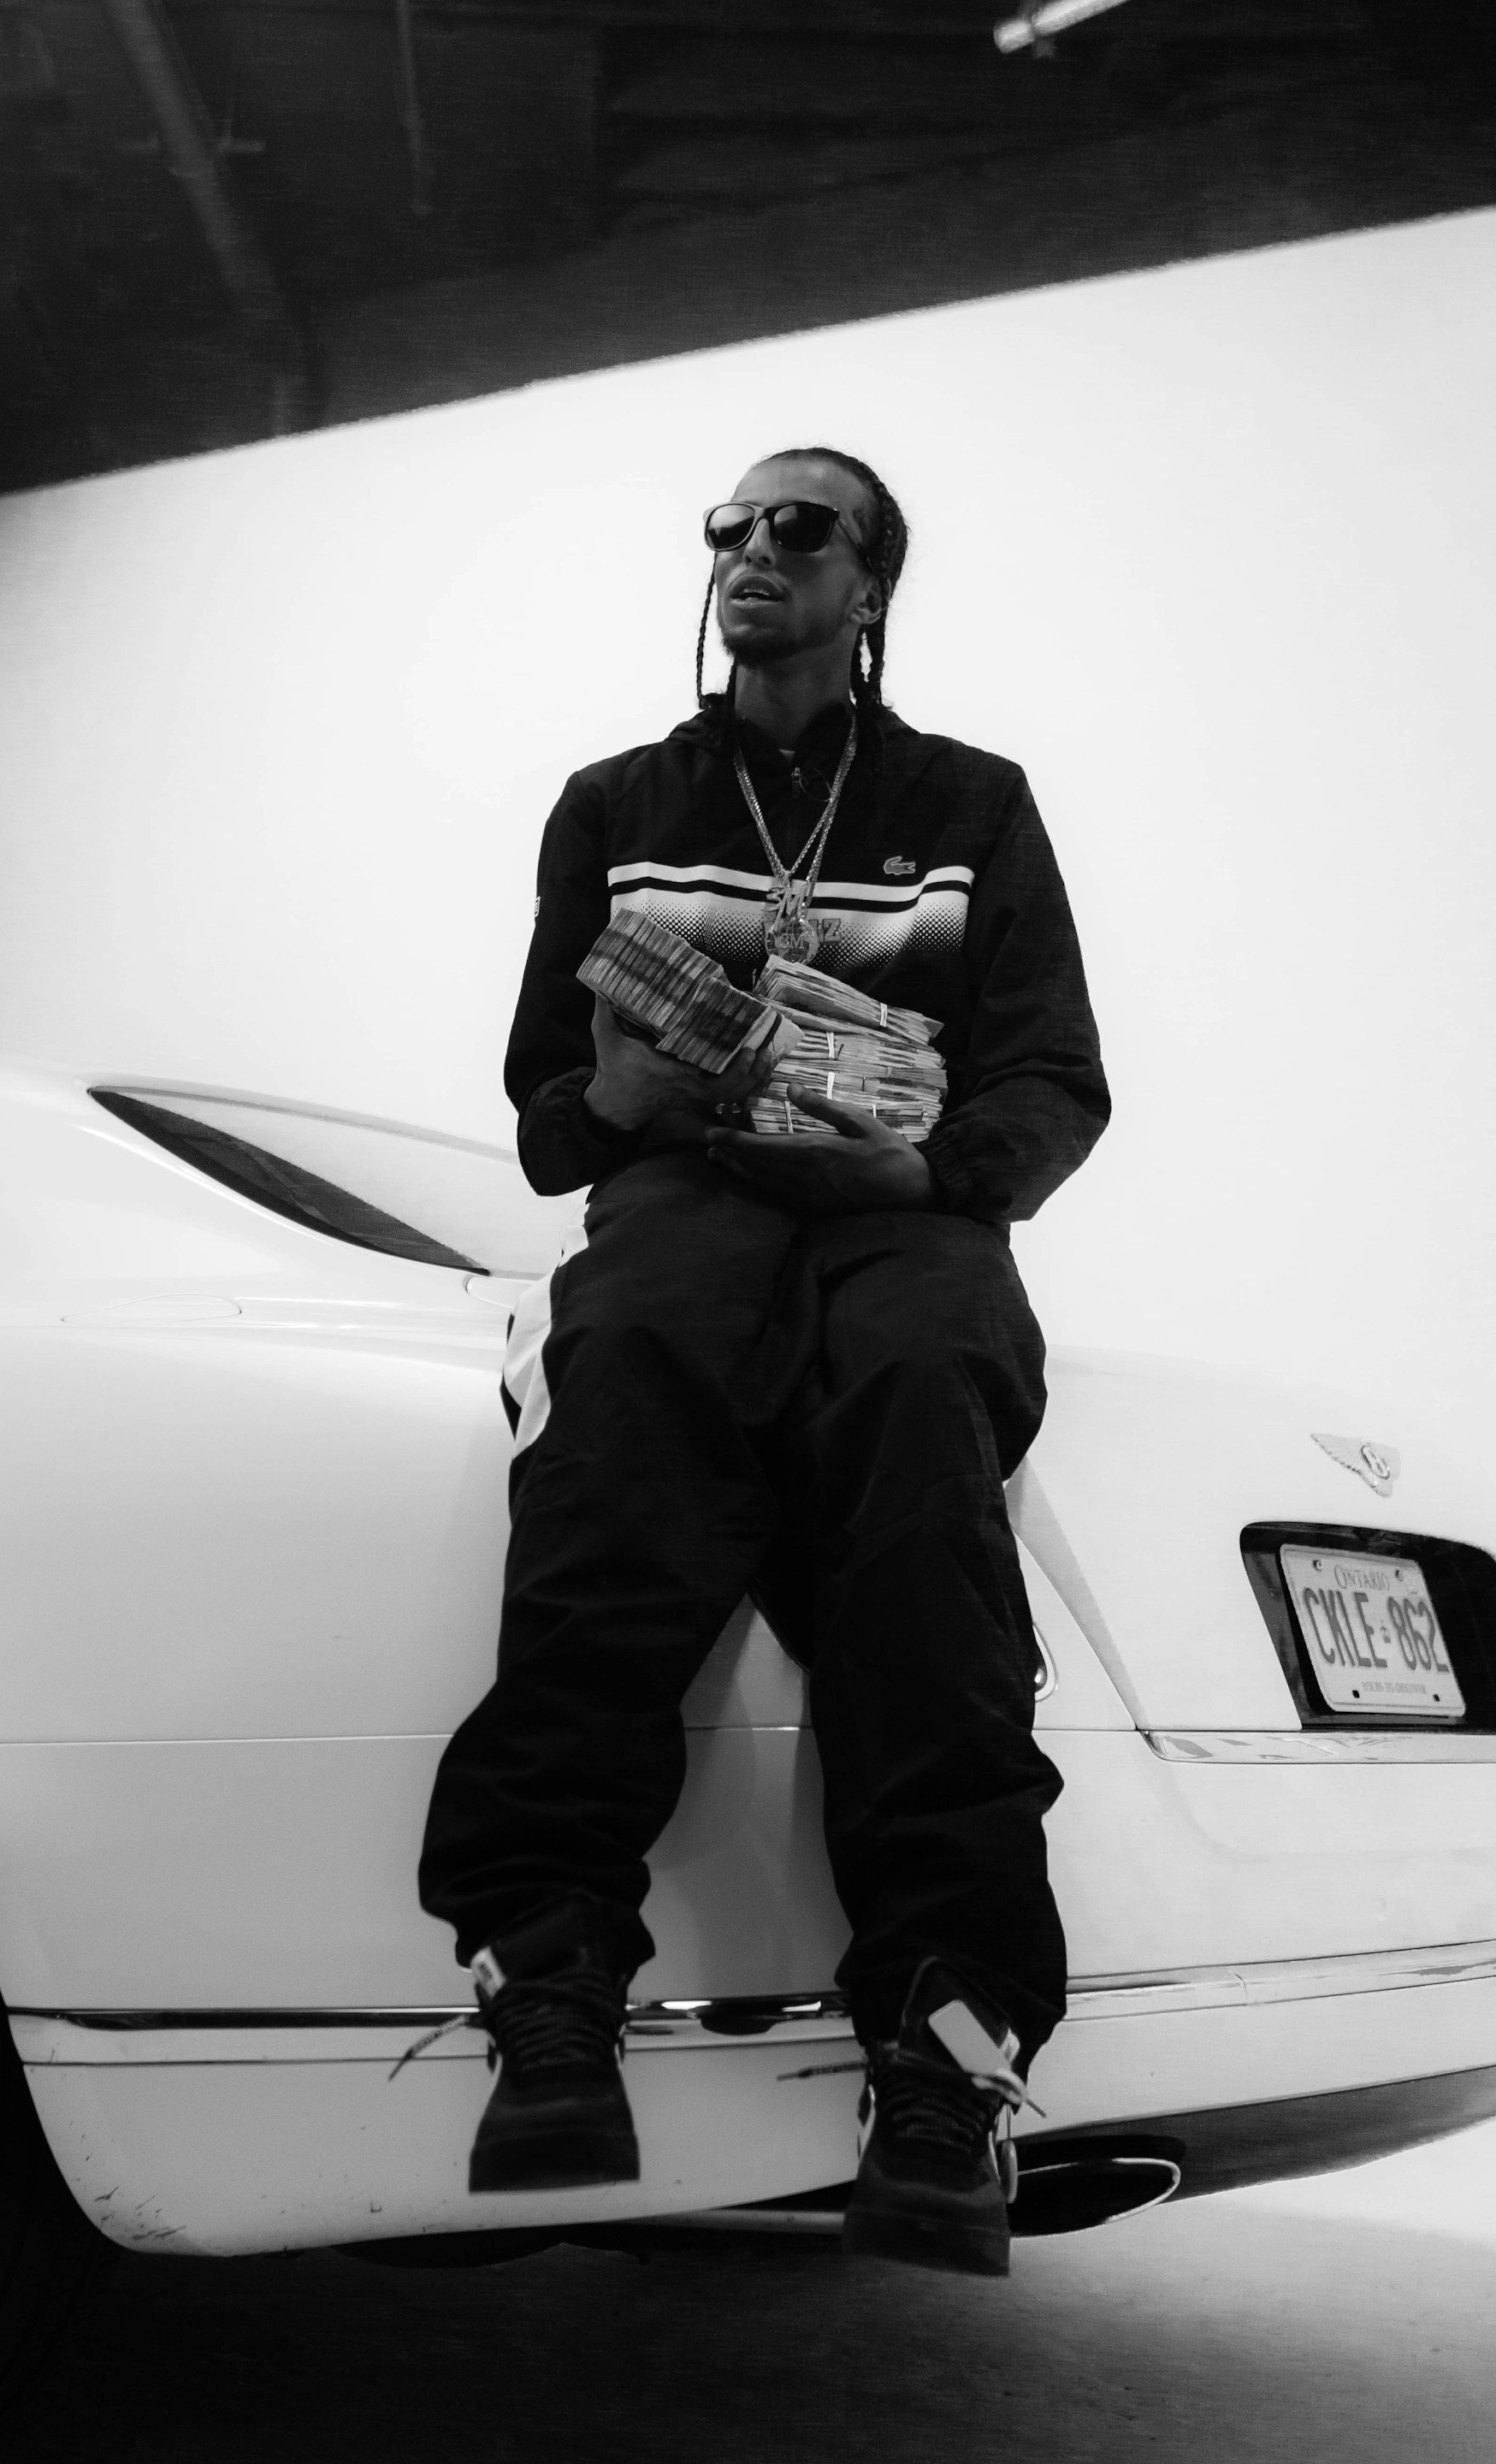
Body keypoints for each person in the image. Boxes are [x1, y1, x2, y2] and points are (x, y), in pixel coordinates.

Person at [417, 446, 1110, 2274]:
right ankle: (548, 1984)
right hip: (686, 1206)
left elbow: (1054, 1073)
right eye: (728, 527)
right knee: (618, 1462)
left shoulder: (971, 803)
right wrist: (613, 1099)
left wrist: (933, 1175)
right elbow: (547, 1117)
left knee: (923, 1495)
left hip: (905, 1219)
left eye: (802, 528)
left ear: (873, 583)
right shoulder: (617, 805)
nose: (753, 551)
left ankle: (949, 2057)